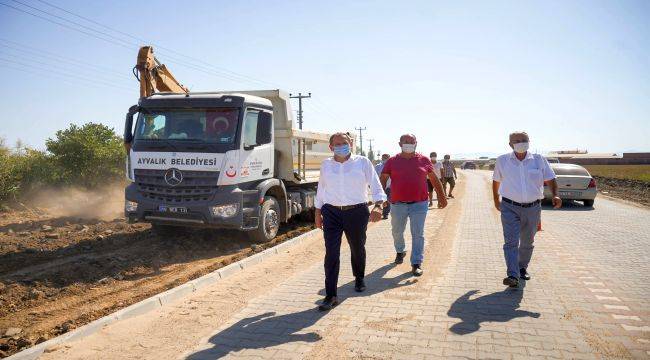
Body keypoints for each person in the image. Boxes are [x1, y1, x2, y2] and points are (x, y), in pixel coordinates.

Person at [314, 132, 386, 311]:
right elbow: (321, 189)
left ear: (351, 144)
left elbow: (376, 185)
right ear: (331, 147)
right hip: (331, 212)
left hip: (356, 211)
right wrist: (317, 212)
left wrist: (378, 206)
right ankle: (331, 295)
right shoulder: (326, 165)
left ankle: (359, 277)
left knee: (357, 247)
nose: (340, 146)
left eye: (344, 143)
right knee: (331, 252)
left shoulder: (362, 162)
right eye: (336, 144)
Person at [492, 131, 561, 288]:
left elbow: (550, 179)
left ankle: (522, 267)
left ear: (529, 141)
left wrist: (556, 195)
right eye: (517, 140)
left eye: (524, 139)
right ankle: (513, 275)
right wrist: (496, 200)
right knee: (511, 242)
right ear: (510, 145)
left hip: (533, 207)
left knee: (527, 241)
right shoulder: (502, 161)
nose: (521, 142)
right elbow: (496, 181)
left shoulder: (539, 160)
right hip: (509, 206)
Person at [380, 134, 447, 277]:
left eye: (412, 142)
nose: (409, 144)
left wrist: (441, 196)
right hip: (398, 203)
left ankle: (416, 263)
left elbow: (434, 179)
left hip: (419, 204)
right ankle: (400, 251)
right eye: (406, 142)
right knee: (397, 231)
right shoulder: (392, 161)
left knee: (418, 234)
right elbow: (383, 178)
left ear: (416, 143)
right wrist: (381, 198)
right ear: (399, 144)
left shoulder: (423, 160)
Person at [375, 153, 392, 219]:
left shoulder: (392, 166)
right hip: (379, 186)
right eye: (384, 158)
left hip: (389, 186)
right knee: (379, 199)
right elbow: (374, 176)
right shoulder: (377, 166)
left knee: (387, 200)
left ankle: (385, 213)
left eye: (386, 157)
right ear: (382, 158)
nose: (385, 159)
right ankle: (377, 211)